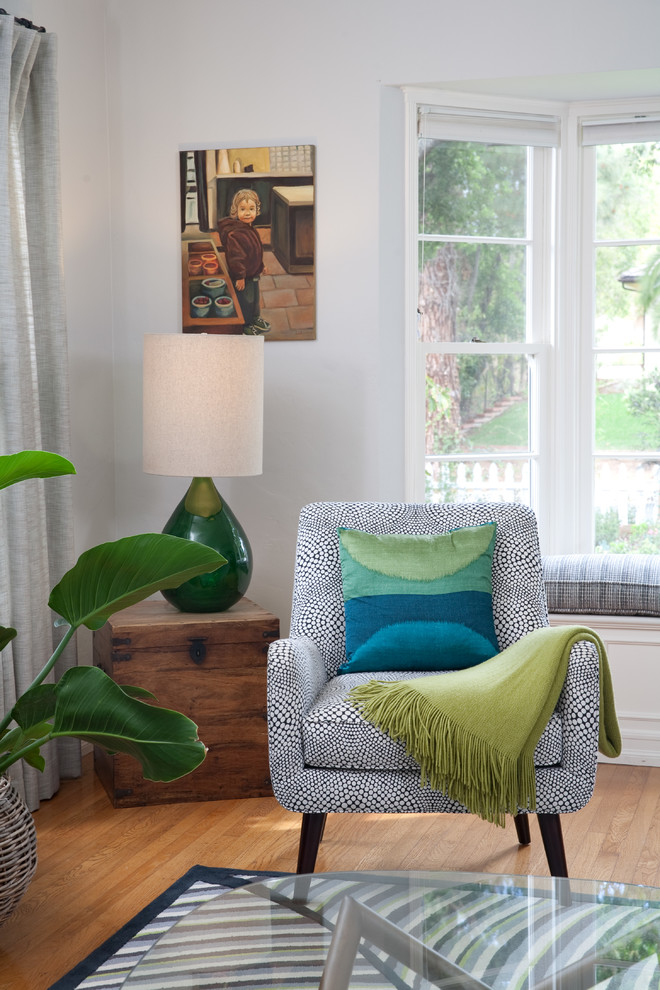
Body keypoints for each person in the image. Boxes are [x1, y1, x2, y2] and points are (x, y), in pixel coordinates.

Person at [218, 189, 271, 335]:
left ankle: (255, 318)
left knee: (254, 301)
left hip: (253, 273)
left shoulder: (249, 229)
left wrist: (261, 265)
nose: (247, 213)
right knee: (245, 302)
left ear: (256, 210)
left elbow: (255, 251)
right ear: (235, 211)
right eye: (243, 209)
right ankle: (246, 324)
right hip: (243, 276)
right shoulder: (235, 234)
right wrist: (240, 276)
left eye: (251, 209)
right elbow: (236, 258)